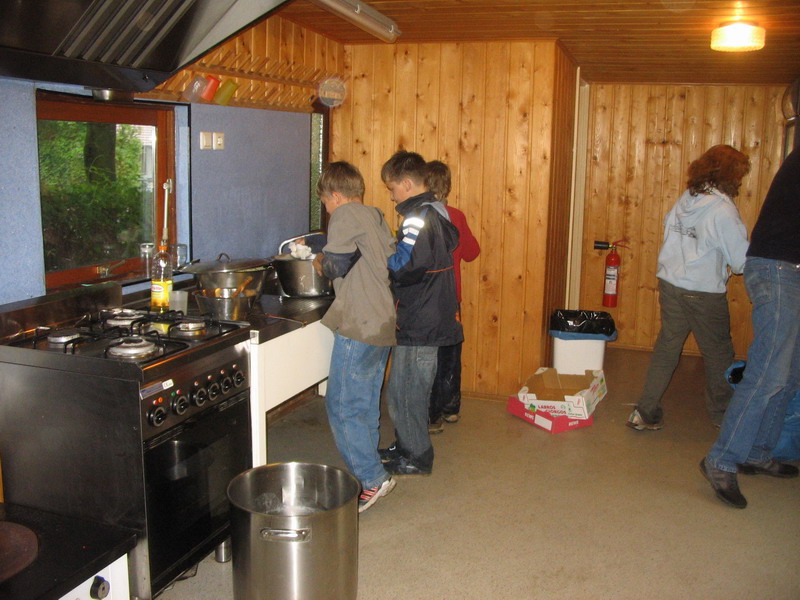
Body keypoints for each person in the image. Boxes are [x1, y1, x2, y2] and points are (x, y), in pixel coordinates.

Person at [701, 146, 800, 509]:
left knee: (791, 373)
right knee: (769, 372)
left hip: (791, 268)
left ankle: (758, 452)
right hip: (777, 267)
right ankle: (721, 459)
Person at [627, 144, 751, 431]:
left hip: (671, 284)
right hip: (702, 292)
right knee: (719, 354)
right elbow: (741, 262)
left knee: (667, 348)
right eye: (739, 175)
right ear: (731, 176)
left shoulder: (688, 197)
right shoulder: (723, 210)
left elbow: (668, 226)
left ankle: (644, 412)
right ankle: (723, 417)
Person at [313, 161, 398, 512]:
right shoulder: (375, 216)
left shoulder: (344, 215)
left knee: (342, 405)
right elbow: (389, 260)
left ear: (335, 196)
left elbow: (335, 265)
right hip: (382, 319)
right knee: (364, 402)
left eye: (325, 203)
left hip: (359, 323)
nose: (327, 209)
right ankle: (374, 470)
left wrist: (317, 260)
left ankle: (371, 478)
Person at [378, 150, 463, 475]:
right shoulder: (436, 211)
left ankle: (417, 456)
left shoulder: (417, 217)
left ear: (407, 184)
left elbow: (406, 266)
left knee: (409, 391)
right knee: (401, 389)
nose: (392, 196)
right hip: (426, 313)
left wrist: (381, 257)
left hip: (420, 317)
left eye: (392, 188)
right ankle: (406, 445)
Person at [424, 160, 480, 433]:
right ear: (447, 186)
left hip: (426, 300)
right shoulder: (456, 216)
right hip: (451, 299)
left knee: (429, 357)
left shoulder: (418, 216)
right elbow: (472, 252)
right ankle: (451, 408)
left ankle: (432, 416)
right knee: (451, 354)